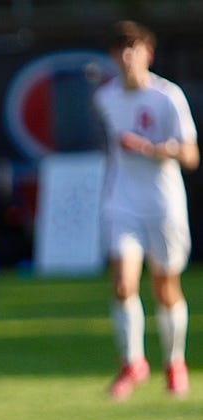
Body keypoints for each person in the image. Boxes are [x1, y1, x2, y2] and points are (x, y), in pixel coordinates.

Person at [94, 20, 198, 400]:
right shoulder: (105, 98)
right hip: (122, 201)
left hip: (162, 202)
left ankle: (174, 363)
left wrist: (155, 149)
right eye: (119, 49)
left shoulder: (167, 97)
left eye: (133, 48)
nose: (126, 56)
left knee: (164, 286)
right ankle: (133, 363)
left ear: (147, 53)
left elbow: (190, 155)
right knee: (123, 283)